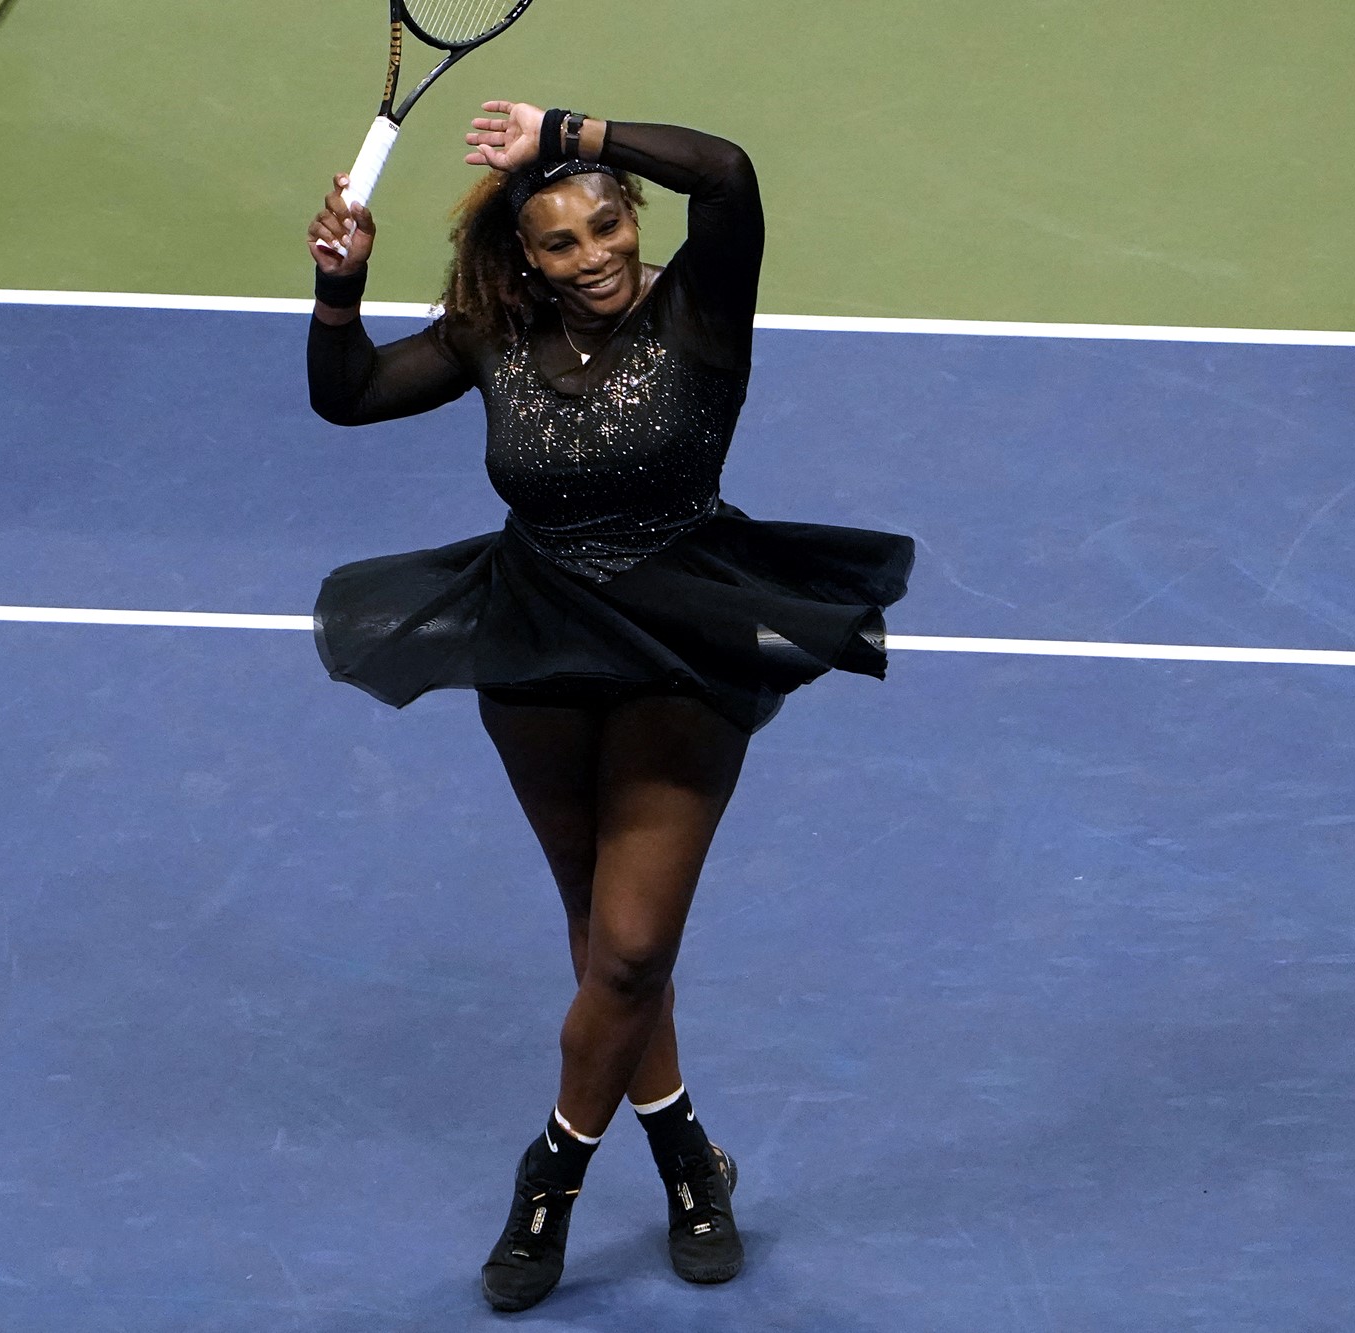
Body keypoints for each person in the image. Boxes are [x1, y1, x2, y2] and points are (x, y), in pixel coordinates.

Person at [305, 99, 913, 1312]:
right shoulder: (495, 332)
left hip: (680, 636)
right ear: (523, 261)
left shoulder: (698, 308)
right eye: (561, 243)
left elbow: (730, 172)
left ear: (632, 217)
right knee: (602, 943)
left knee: (633, 946)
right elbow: (351, 396)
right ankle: (689, 1157)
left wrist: (569, 132)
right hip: (532, 635)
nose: (593, 256)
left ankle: (548, 1186)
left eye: (605, 226)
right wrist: (338, 289)